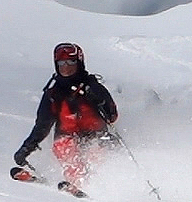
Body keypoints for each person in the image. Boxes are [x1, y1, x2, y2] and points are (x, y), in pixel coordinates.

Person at [13, 42, 119, 188]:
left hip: (96, 135)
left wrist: (99, 99)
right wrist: (27, 148)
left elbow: (112, 115)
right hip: (67, 136)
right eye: (61, 63)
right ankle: (76, 184)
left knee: (96, 152)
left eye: (71, 62)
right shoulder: (53, 93)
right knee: (65, 148)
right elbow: (42, 125)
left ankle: (98, 187)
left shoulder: (92, 86)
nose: (66, 67)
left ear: (79, 63)